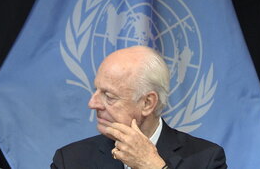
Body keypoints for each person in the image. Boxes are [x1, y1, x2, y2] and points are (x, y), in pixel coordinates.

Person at [52, 45, 226, 169]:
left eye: (109, 96)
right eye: (96, 90)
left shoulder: (206, 159)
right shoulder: (70, 160)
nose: (92, 103)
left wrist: (152, 167)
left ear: (147, 103)